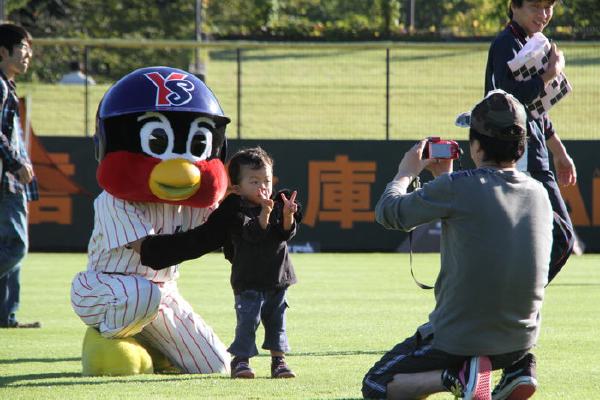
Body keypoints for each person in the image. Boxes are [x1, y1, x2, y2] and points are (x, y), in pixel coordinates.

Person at [361, 90, 553, 400]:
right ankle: (519, 369)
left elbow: (389, 213)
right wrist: (445, 181)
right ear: (521, 146)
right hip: (520, 340)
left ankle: (458, 377)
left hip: (459, 340)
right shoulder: (539, 193)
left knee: (375, 384)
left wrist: (406, 173)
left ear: (476, 145)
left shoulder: (457, 188)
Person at [139, 146, 301, 379]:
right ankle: (241, 361)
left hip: (278, 277)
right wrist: (265, 213)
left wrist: (287, 216)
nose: (262, 187)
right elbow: (253, 234)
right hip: (248, 279)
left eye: (266, 180)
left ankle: (279, 361)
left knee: (277, 323)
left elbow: (285, 235)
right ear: (236, 188)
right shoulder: (236, 209)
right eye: (253, 181)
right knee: (247, 323)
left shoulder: (277, 204)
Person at [485, 0, 575, 283]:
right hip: (518, 157)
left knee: (524, 242)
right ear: (514, 7)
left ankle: (503, 305)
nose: (544, 14)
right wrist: (551, 74)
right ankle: (509, 303)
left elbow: (537, 111)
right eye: (536, 6)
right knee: (560, 238)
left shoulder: (533, 42)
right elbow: (509, 97)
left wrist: (559, 151)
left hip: (533, 154)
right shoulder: (506, 43)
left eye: (548, 7)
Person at [0, 23, 40, 329]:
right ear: (3, 52)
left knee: (9, 247)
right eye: (23, 50)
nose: (28, 57)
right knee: (15, 246)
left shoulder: (7, 86)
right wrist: (16, 163)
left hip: (11, 181)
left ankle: (5, 317)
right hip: (6, 181)